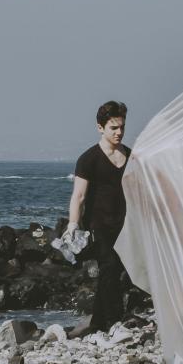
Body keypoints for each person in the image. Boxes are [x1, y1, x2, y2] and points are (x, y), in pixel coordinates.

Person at [64, 101, 131, 336]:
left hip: (124, 225)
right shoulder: (89, 159)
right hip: (98, 225)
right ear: (100, 127)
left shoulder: (130, 156)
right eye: (113, 128)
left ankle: (98, 323)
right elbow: (79, 196)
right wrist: (73, 225)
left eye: (121, 127)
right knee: (109, 266)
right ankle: (113, 323)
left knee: (113, 272)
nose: (119, 132)